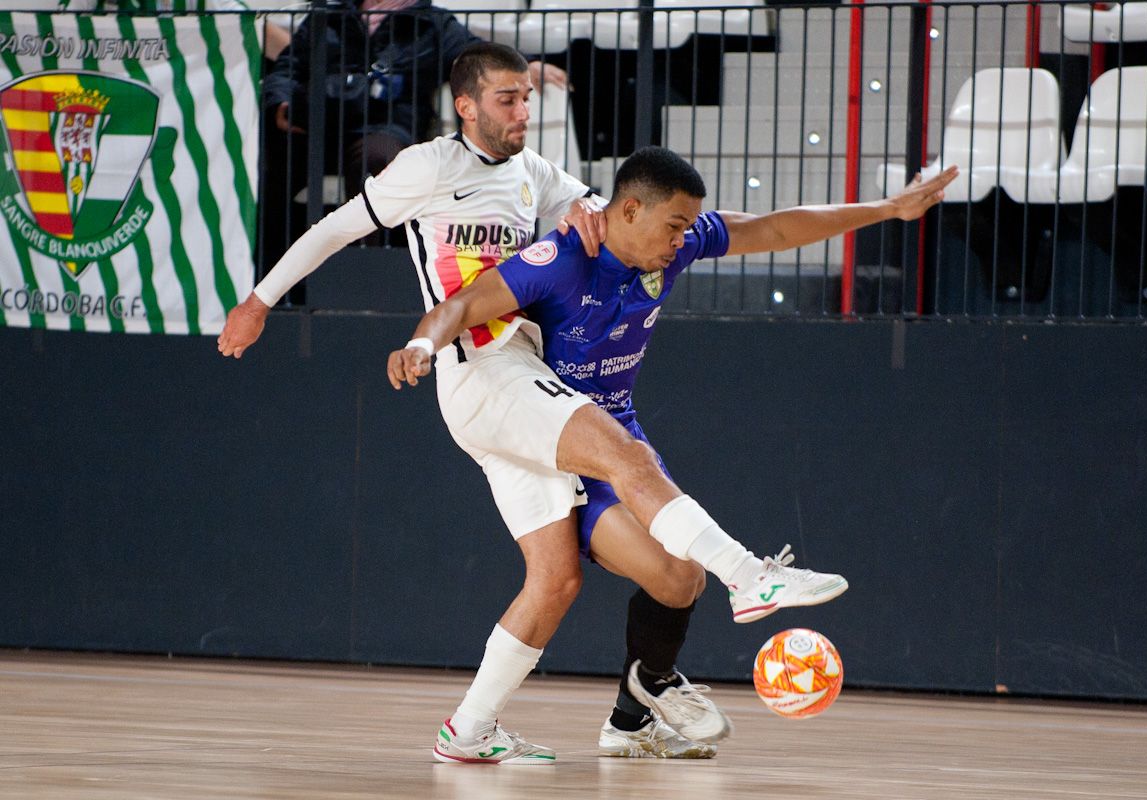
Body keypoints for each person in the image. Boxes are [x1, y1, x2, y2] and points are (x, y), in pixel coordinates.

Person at [220, 42, 737, 764]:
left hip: (520, 373)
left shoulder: (538, 175)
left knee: (556, 577)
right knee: (623, 455)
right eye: (507, 98)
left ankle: (467, 732)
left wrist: (588, 215)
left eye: (527, 96)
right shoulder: (428, 168)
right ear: (466, 105)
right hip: (480, 373)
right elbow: (337, 228)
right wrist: (261, 300)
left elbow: (608, 212)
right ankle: (746, 575)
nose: (523, 110)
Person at [386, 147, 957, 763]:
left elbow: (774, 227)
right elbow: (467, 302)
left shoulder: (673, 246)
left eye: (689, 227)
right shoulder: (562, 258)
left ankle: (623, 722)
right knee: (634, 505)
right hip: (562, 440)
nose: (684, 239)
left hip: (611, 431)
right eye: (675, 225)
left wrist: (887, 210)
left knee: (678, 577)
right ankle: (751, 578)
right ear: (629, 210)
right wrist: (422, 342)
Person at [260, 0, 567, 267]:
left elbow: (479, 60)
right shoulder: (327, 14)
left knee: (378, 161)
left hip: (386, 127)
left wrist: (527, 67)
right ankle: (268, 275)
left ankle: (363, 279)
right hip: (317, 125)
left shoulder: (432, 23)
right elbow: (288, 68)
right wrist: (281, 103)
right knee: (268, 162)